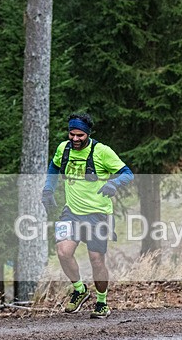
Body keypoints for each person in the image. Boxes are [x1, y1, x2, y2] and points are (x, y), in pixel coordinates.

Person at [41, 112, 134, 318]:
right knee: (63, 252)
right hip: (71, 212)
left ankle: (102, 303)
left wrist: (114, 183)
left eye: (79, 136)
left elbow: (128, 173)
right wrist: (48, 189)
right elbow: (54, 167)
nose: (74, 139)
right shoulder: (63, 149)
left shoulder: (102, 152)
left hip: (98, 214)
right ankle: (80, 290)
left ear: (88, 134)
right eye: (71, 134)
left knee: (96, 259)